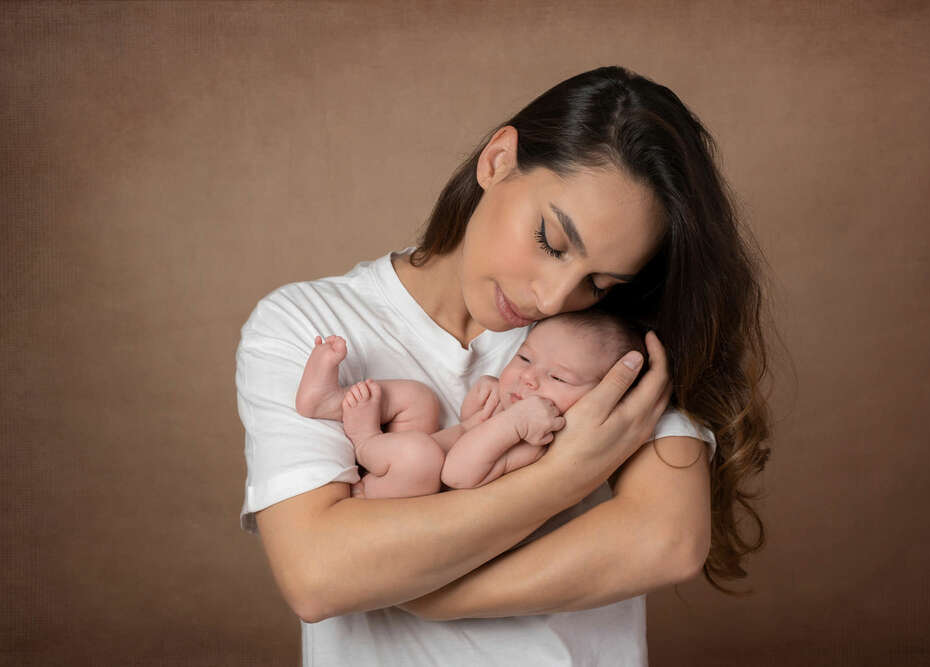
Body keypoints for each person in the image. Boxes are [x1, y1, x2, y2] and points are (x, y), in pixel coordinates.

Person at [237, 65, 771, 666]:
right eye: (550, 240)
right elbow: (319, 574)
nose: (551, 300)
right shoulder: (306, 322)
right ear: (497, 160)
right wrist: (564, 475)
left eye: (598, 280)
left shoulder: (612, 340)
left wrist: (431, 593)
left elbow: (665, 540)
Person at [294, 312, 650, 498]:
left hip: (409, 493)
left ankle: (366, 439)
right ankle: (328, 401)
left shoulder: (540, 447)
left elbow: (458, 473)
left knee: (420, 456)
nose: (529, 378)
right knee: (419, 399)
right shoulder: (522, 411)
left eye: (558, 379)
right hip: (419, 458)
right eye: (525, 358)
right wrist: (481, 405)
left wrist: (510, 424)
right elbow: (467, 430)